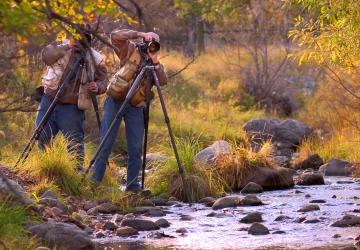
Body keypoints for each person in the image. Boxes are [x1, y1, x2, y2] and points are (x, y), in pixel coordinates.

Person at [91, 29, 167, 192]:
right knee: (106, 142)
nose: (151, 46)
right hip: (116, 100)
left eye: (154, 44)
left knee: (135, 148)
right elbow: (114, 36)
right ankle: (95, 182)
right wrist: (140, 34)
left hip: (136, 106)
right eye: (149, 42)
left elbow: (163, 81)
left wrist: (156, 63)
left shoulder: (154, 64)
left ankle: (132, 185)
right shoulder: (130, 50)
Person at [37, 33, 108, 171]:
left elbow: (104, 81)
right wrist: (67, 46)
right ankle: (46, 169)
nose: (79, 42)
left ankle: (75, 174)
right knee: (42, 136)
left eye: (83, 40)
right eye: (77, 38)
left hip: (72, 106)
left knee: (74, 143)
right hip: (49, 99)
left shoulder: (95, 59)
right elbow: (46, 57)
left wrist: (97, 86)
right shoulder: (60, 46)